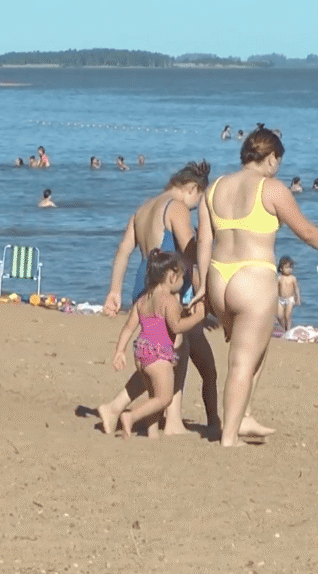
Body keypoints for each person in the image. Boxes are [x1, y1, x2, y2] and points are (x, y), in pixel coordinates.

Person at [195, 123, 318, 447]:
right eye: (278, 162)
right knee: (242, 360)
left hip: (218, 277)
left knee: (255, 350)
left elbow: (204, 239)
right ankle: (230, 436)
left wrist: (202, 285)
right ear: (270, 158)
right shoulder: (270, 188)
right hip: (252, 277)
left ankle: (245, 415)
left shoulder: (214, 188)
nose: (278, 168)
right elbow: (307, 232)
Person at [100, 161, 220, 437]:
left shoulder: (143, 208)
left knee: (160, 354)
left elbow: (123, 251)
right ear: (193, 189)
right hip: (166, 291)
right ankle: (172, 422)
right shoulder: (175, 207)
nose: (193, 208)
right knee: (174, 351)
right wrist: (207, 293)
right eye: (197, 201)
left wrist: (114, 291)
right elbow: (191, 253)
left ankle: (118, 408)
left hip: (144, 288)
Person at [110, 250, 208, 439]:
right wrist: (198, 317)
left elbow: (129, 328)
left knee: (154, 396)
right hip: (158, 355)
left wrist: (120, 351)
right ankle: (130, 417)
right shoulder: (169, 301)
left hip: (142, 352)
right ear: (172, 277)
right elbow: (177, 327)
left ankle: (152, 432)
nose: (182, 281)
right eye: (182, 276)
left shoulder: (143, 300)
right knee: (164, 398)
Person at [276, 256, 302, 331]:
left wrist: (298, 298)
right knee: (279, 316)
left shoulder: (292, 278)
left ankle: (288, 330)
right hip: (280, 299)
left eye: (290, 268)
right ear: (281, 268)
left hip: (290, 299)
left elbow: (296, 289)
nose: (289, 270)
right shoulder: (279, 278)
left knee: (287, 316)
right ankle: (284, 328)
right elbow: (275, 288)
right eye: (287, 268)